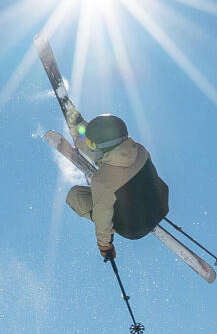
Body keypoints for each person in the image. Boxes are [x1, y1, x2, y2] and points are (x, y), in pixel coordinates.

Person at [62, 106, 169, 261]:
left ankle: (83, 135)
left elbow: (102, 219)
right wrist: (81, 128)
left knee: (75, 196)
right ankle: (82, 131)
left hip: (134, 228)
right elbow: (107, 147)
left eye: (92, 143)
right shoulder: (140, 149)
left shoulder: (101, 181)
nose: (92, 146)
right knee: (111, 160)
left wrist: (105, 246)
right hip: (161, 203)